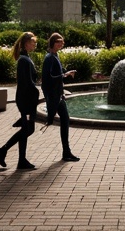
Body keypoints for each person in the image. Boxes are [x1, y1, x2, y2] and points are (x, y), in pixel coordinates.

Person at [0, 31, 40, 170]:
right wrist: (37, 92)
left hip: (26, 100)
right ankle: (4, 150)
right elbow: (26, 83)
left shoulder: (25, 58)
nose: (35, 44)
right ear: (27, 43)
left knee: (27, 129)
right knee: (28, 129)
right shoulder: (24, 60)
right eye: (33, 42)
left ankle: (20, 159)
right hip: (26, 101)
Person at [42, 32, 80, 162]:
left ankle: (66, 152)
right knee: (64, 120)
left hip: (58, 95)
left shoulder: (55, 56)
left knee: (65, 120)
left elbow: (58, 73)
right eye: (58, 42)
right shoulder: (49, 58)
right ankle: (66, 152)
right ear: (52, 42)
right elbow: (48, 78)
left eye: (62, 42)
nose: (61, 44)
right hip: (55, 95)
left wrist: (67, 73)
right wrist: (64, 75)